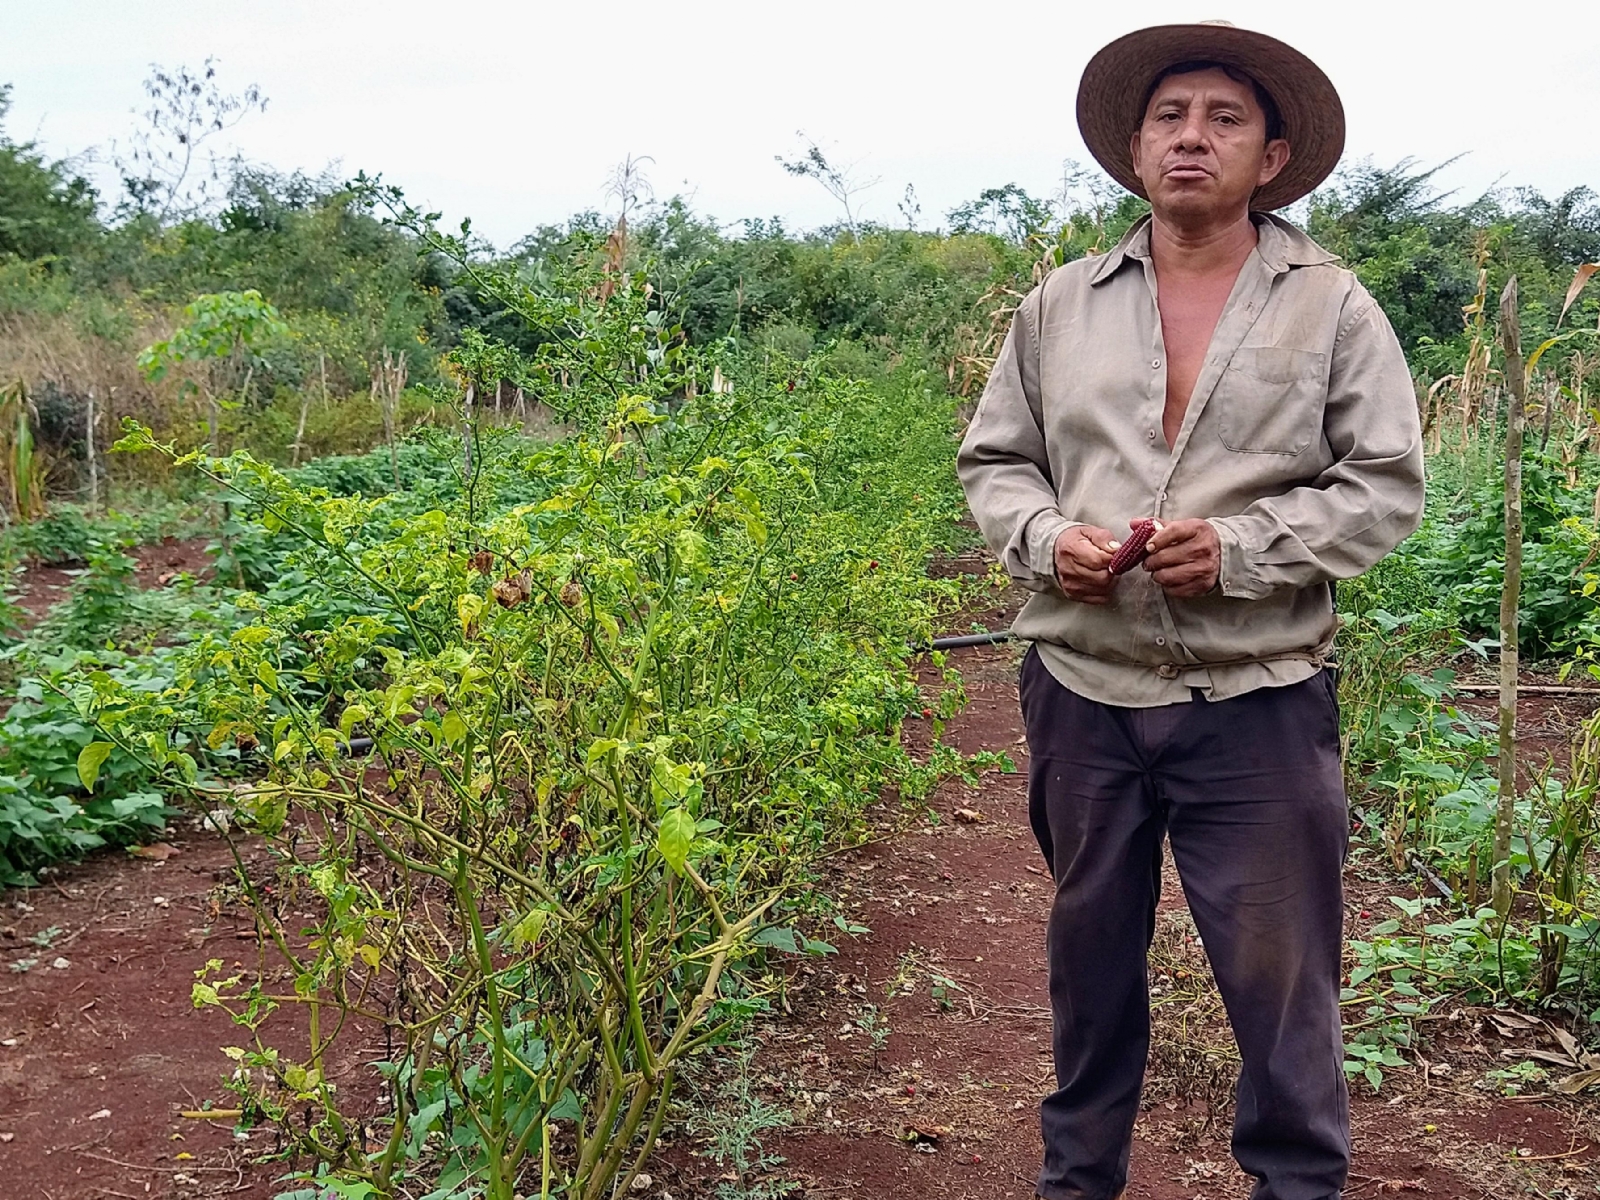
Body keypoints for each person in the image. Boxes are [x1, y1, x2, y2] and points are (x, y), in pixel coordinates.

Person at [956, 20, 1425, 1200]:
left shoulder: (1333, 308)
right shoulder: (1056, 307)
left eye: (1224, 119)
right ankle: (1080, 1180)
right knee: (1089, 958)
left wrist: (1242, 548)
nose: (1190, 138)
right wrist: (1043, 537)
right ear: (1131, 146)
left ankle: (1295, 1184)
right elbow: (997, 462)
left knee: (1279, 978)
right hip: (1082, 692)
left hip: (1256, 700)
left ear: (1270, 158)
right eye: (1168, 116)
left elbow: (1382, 489)